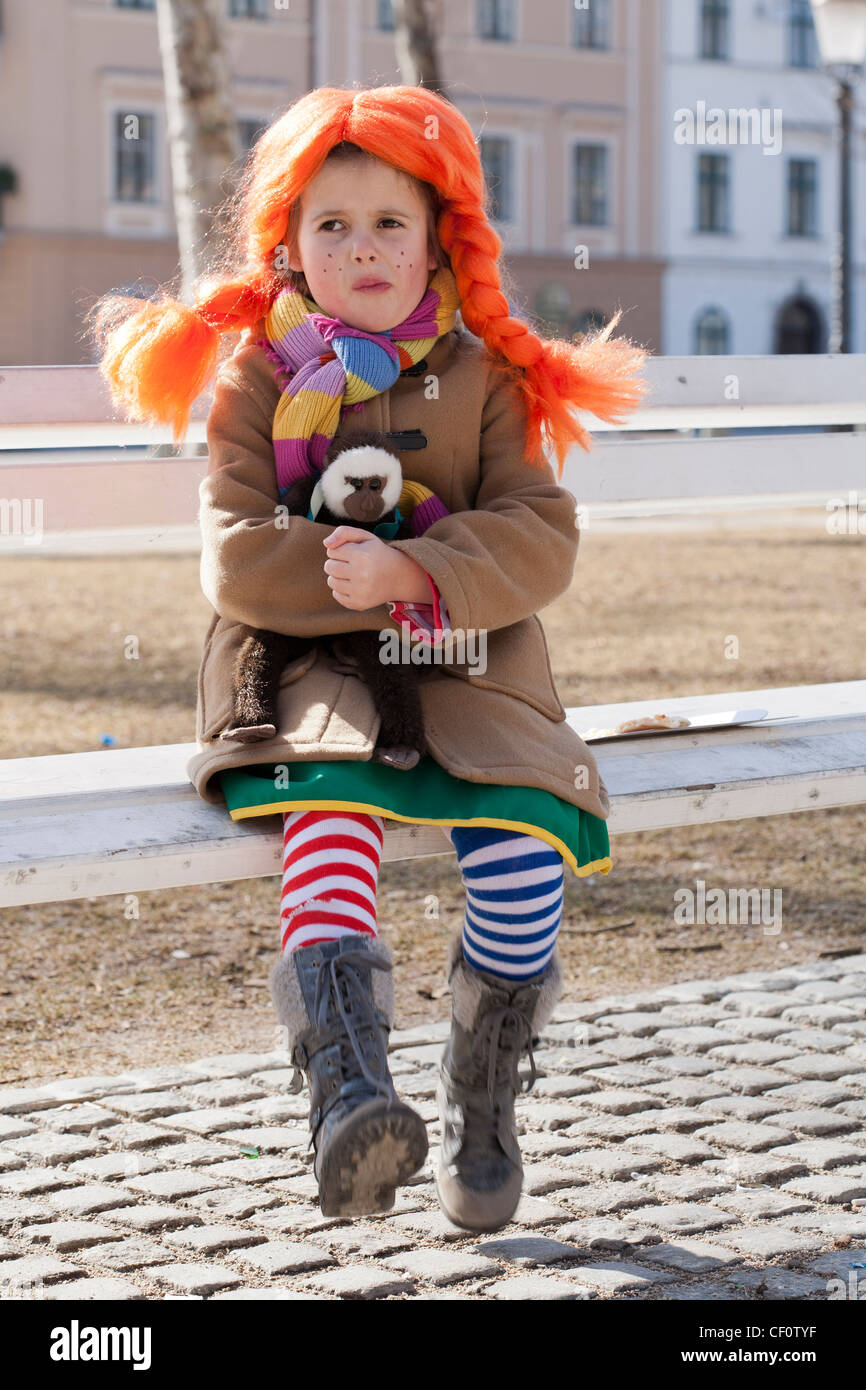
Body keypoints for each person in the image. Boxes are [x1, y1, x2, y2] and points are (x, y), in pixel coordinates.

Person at [89, 84, 648, 1234]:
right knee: (327, 817)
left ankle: (480, 1078)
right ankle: (347, 1091)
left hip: (460, 654)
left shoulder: (482, 375)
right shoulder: (257, 375)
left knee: (521, 843)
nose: (361, 249)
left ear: (438, 233)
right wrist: (335, 574)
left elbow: (542, 530)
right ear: (287, 244)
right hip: (304, 668)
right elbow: (236, 551)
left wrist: (421, 570)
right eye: (329, 226)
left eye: (388, 222)